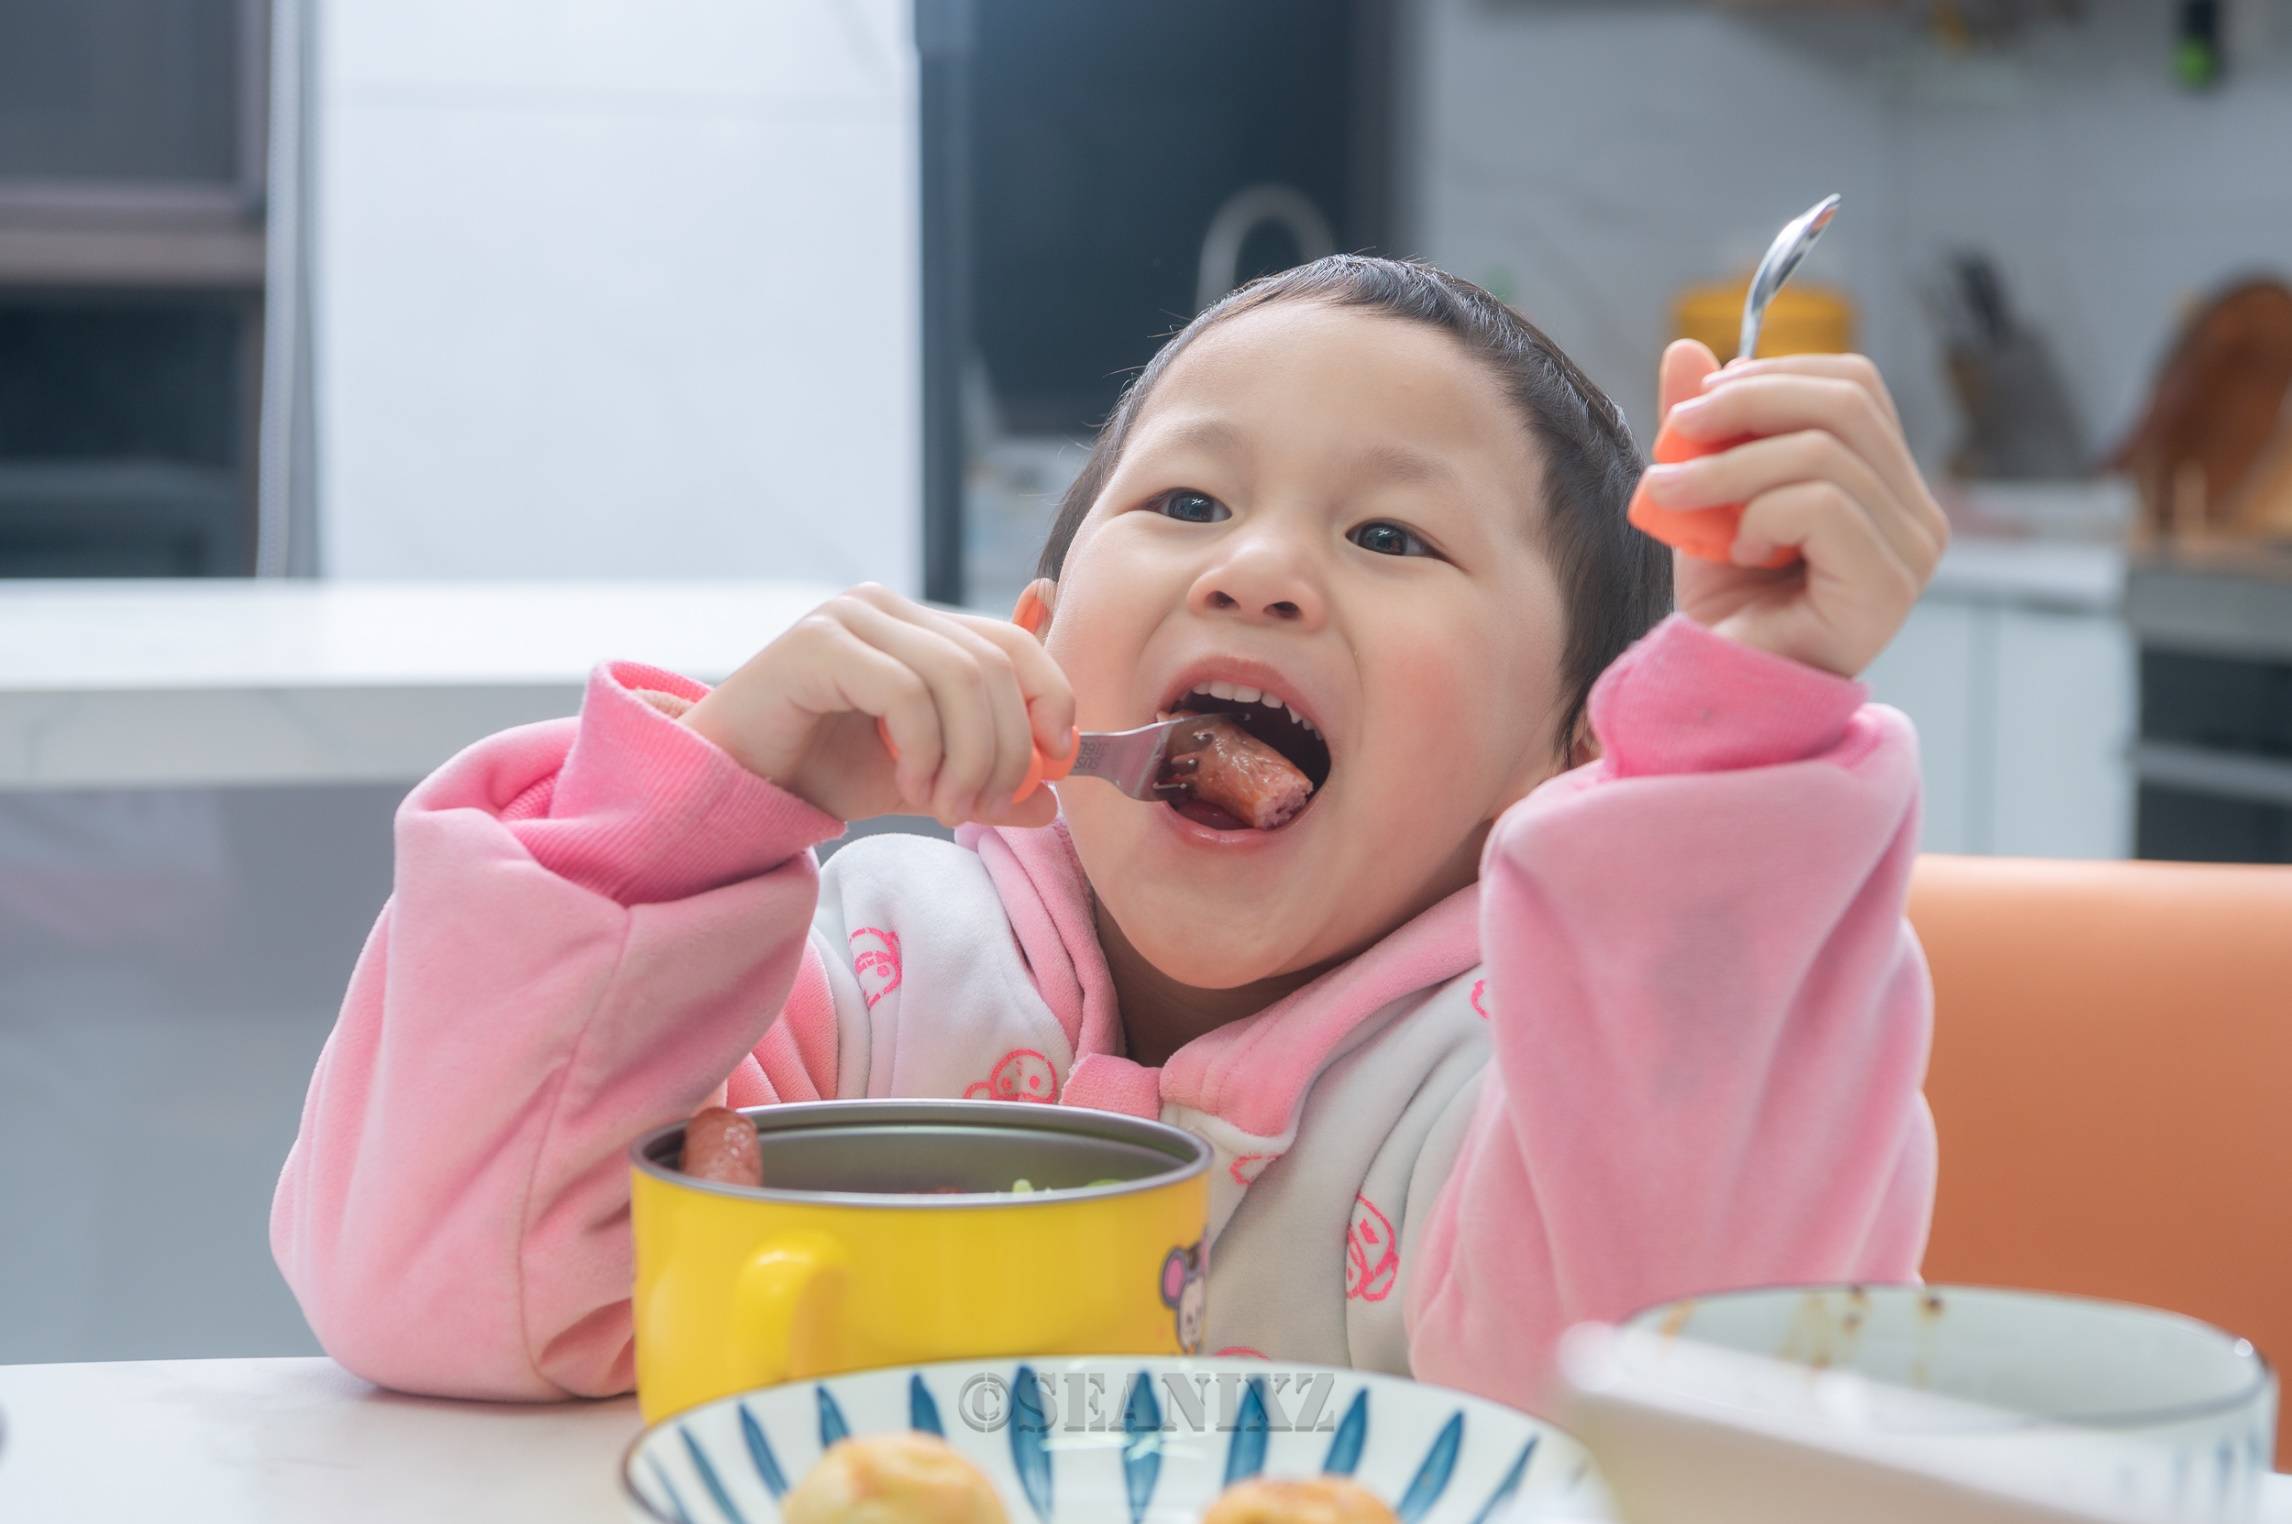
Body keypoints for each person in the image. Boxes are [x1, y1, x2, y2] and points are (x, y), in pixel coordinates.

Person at [272, 256, 1945, 1407]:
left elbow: (1679, 1420)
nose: (1257, 569)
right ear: (1036, 638)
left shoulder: (1540, 1085)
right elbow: (438, 1297)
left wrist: (1729, 756)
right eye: (1190, 503)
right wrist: (697, 816)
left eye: (1388, 532)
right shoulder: (857, 983)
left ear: (1567, 756)